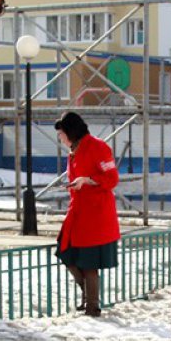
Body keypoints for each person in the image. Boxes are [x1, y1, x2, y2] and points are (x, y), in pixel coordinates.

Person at [54, 111, 120, 317]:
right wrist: (77, 183)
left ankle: (92, 306)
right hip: (78, 211)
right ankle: (88, 296)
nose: (60, 138)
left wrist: (88, 180)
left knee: (89, 261)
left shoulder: (98, 147)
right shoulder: (73, 151)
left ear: (70, 132)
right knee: (65, 251)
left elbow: (112, 178)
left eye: (61, 134)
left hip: (96, 214)